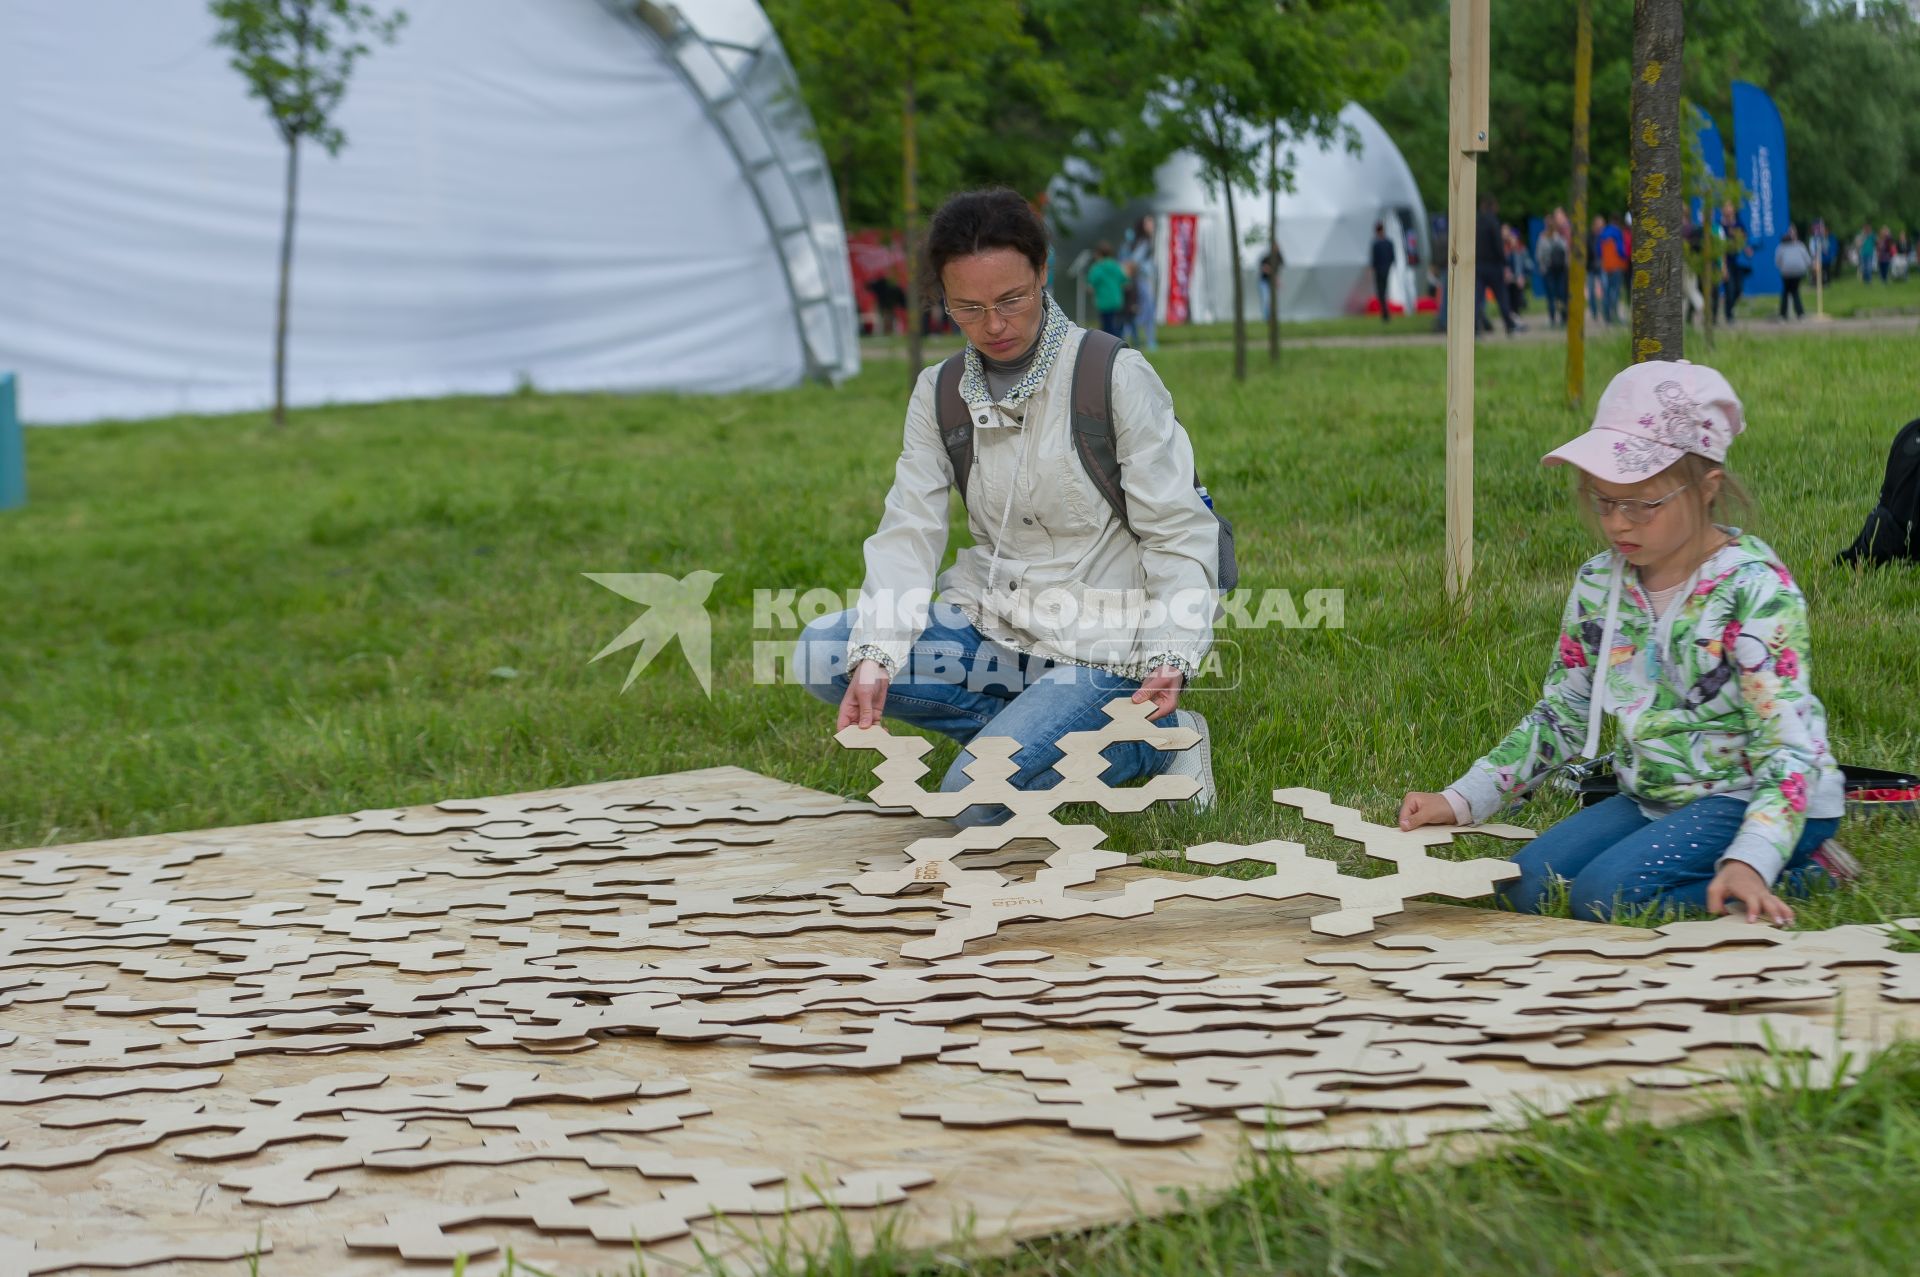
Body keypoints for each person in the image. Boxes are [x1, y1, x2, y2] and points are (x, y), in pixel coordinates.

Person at [794, 188, 1220, 826]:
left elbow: (1179, 533)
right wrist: (878, 653)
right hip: (992, 627)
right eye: (967, 307)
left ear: (1042, 274)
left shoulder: (1113, 374)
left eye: (1010, 300)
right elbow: (909, 529)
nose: (993, 326)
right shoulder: (939, 392)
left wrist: (1169, 654)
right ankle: (1026, 736)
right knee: (825, 651)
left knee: (970, 804)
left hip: (1099, 648)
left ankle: (1151, 743)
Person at [1401, 361, 1847, 924]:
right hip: (1653, 797)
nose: (1618, 524)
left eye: (1641, 503)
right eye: (1603, 501)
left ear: (1707, 488)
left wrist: (1753, 857)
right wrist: (1465, 798)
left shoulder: (1755, 589)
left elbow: (1788, 750)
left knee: (1604, 900)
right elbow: (1563, 712)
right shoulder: (1597, 583)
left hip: (1756, 796)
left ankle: (1804, 871)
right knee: (1521, 887)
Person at [1474, 195, 1520, 335]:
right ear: (1492, 206)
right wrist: (1504, 262)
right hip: (1493, 265)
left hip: (1479, 264)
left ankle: (1475, 326)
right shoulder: (1493, 222)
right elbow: (1498, 245)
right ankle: (1509, 324)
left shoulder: (1478, 221)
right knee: (1501, 296)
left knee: (1478, 298)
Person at [1121, 216, 1159, 351]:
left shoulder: (1136, 241)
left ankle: (1129, 337)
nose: (1152, 225)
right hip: (1142, 280)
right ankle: (1150, 342)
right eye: (1149, 223)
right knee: (1147, 311)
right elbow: (1135, 260)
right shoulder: (1144, 242)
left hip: (1137, 279)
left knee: (1134, 311)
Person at [1536, 211, 1570, 329]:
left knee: (1551, 296)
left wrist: (1542, 267)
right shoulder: (1559, 237)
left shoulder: (1542, 238)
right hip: (1560, 270)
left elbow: (1539, 255)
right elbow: (1565, 251)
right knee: (1560, 294)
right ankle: (1563, 317)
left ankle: (1552, 318)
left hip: (1549, 270)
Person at [1087, 242, 1129, 337]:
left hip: (1104, 302)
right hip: (1117, 301)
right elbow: (1125, 281)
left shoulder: (1097, 267)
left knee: (1107, 329)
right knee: (1116, 327)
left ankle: (1112, 348)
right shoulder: (1115, 265)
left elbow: (1091, 285)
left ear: (1099, 254)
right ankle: (1120, 344)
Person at [1597, 215, 1629, 325]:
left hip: (1605, 266)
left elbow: (1599, 251)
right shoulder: (1617, 233)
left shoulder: (1602, 233)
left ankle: (1607, 317)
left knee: (1606, 292)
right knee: (1615, 291)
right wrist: (1625, 259)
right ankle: (1614, 315)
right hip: (1616, 266)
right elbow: (1621, 250)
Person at [1775, 224, 1811, 320]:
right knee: (1795, 292)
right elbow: (1807, 260)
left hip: (1786, 272)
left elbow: (1777, 261)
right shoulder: (1800, 245)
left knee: (1786, 292)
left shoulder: (1781, 247)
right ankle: (1800, 314)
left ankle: (1783, 315)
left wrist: (1783, 267)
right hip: (1799, 272)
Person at [1368, 223, 1395, 324]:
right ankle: (1385, 314)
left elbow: (1374, 260)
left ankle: (1385, 314)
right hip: (1386, 270)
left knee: (1381, 293)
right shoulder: (1389, 243)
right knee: (1383, 293)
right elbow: (1392, 257)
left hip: (1379, 271)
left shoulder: (1376, 244)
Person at [1259, 241, 1285, 323]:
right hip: (1265, 281)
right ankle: (1267, 319)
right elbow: (1264, 268)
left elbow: (1279, 270)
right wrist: (1274, 276)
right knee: (1266, 300)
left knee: (1273, 300)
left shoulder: (1279, 258)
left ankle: (1273, 318)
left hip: (1273, 282)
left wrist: (1277, 280)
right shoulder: (1266, 257)